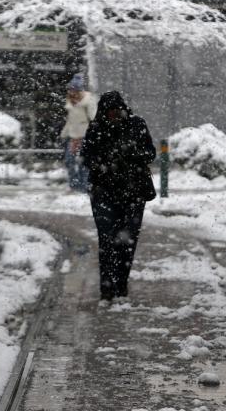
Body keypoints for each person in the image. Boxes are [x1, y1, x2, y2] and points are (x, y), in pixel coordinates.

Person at [81, 91, 156, 301]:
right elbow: (86, 157)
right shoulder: (96, 128)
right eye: (110, 112)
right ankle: (107, 287)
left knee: (127, 242)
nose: (114, 115)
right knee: (107, 241)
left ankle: (121, 284)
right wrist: (104, 162)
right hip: (103, 193)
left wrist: (130, 153)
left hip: (133, 194)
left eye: (117, 111)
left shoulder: (137, 125)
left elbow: (150, 153)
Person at [60, 74, 96, 192]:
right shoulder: (70, 101)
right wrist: (63, 134)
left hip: (85, 136)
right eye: (70, 89)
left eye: (74, 89)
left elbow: (94, 118)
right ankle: (74, 184)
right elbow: (70, 121)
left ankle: (84, 186)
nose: (71, 92)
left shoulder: (88, 101)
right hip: (73, 137)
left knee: (83, 163)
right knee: (70, 161)